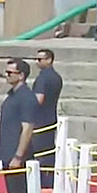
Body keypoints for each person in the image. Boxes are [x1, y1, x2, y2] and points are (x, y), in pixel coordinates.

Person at [0, 58, 38, 193]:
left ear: (21, 75)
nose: (6, 76)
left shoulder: (26, 98)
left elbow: (27, 128)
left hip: (17, 159)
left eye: (10, 73)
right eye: (6, 72)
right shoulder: (12, 96)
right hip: (8, 155)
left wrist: (18, 156)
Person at [32, 48, 63, 182]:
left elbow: (38, 99)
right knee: (49, 151)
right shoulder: (57, 77)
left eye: (40, 59)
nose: (37, 62)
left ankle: (39, 181)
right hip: (51, 117)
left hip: (39, 120)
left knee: (38, 153)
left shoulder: (42, 78)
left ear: (49, 60)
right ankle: (50, 180)